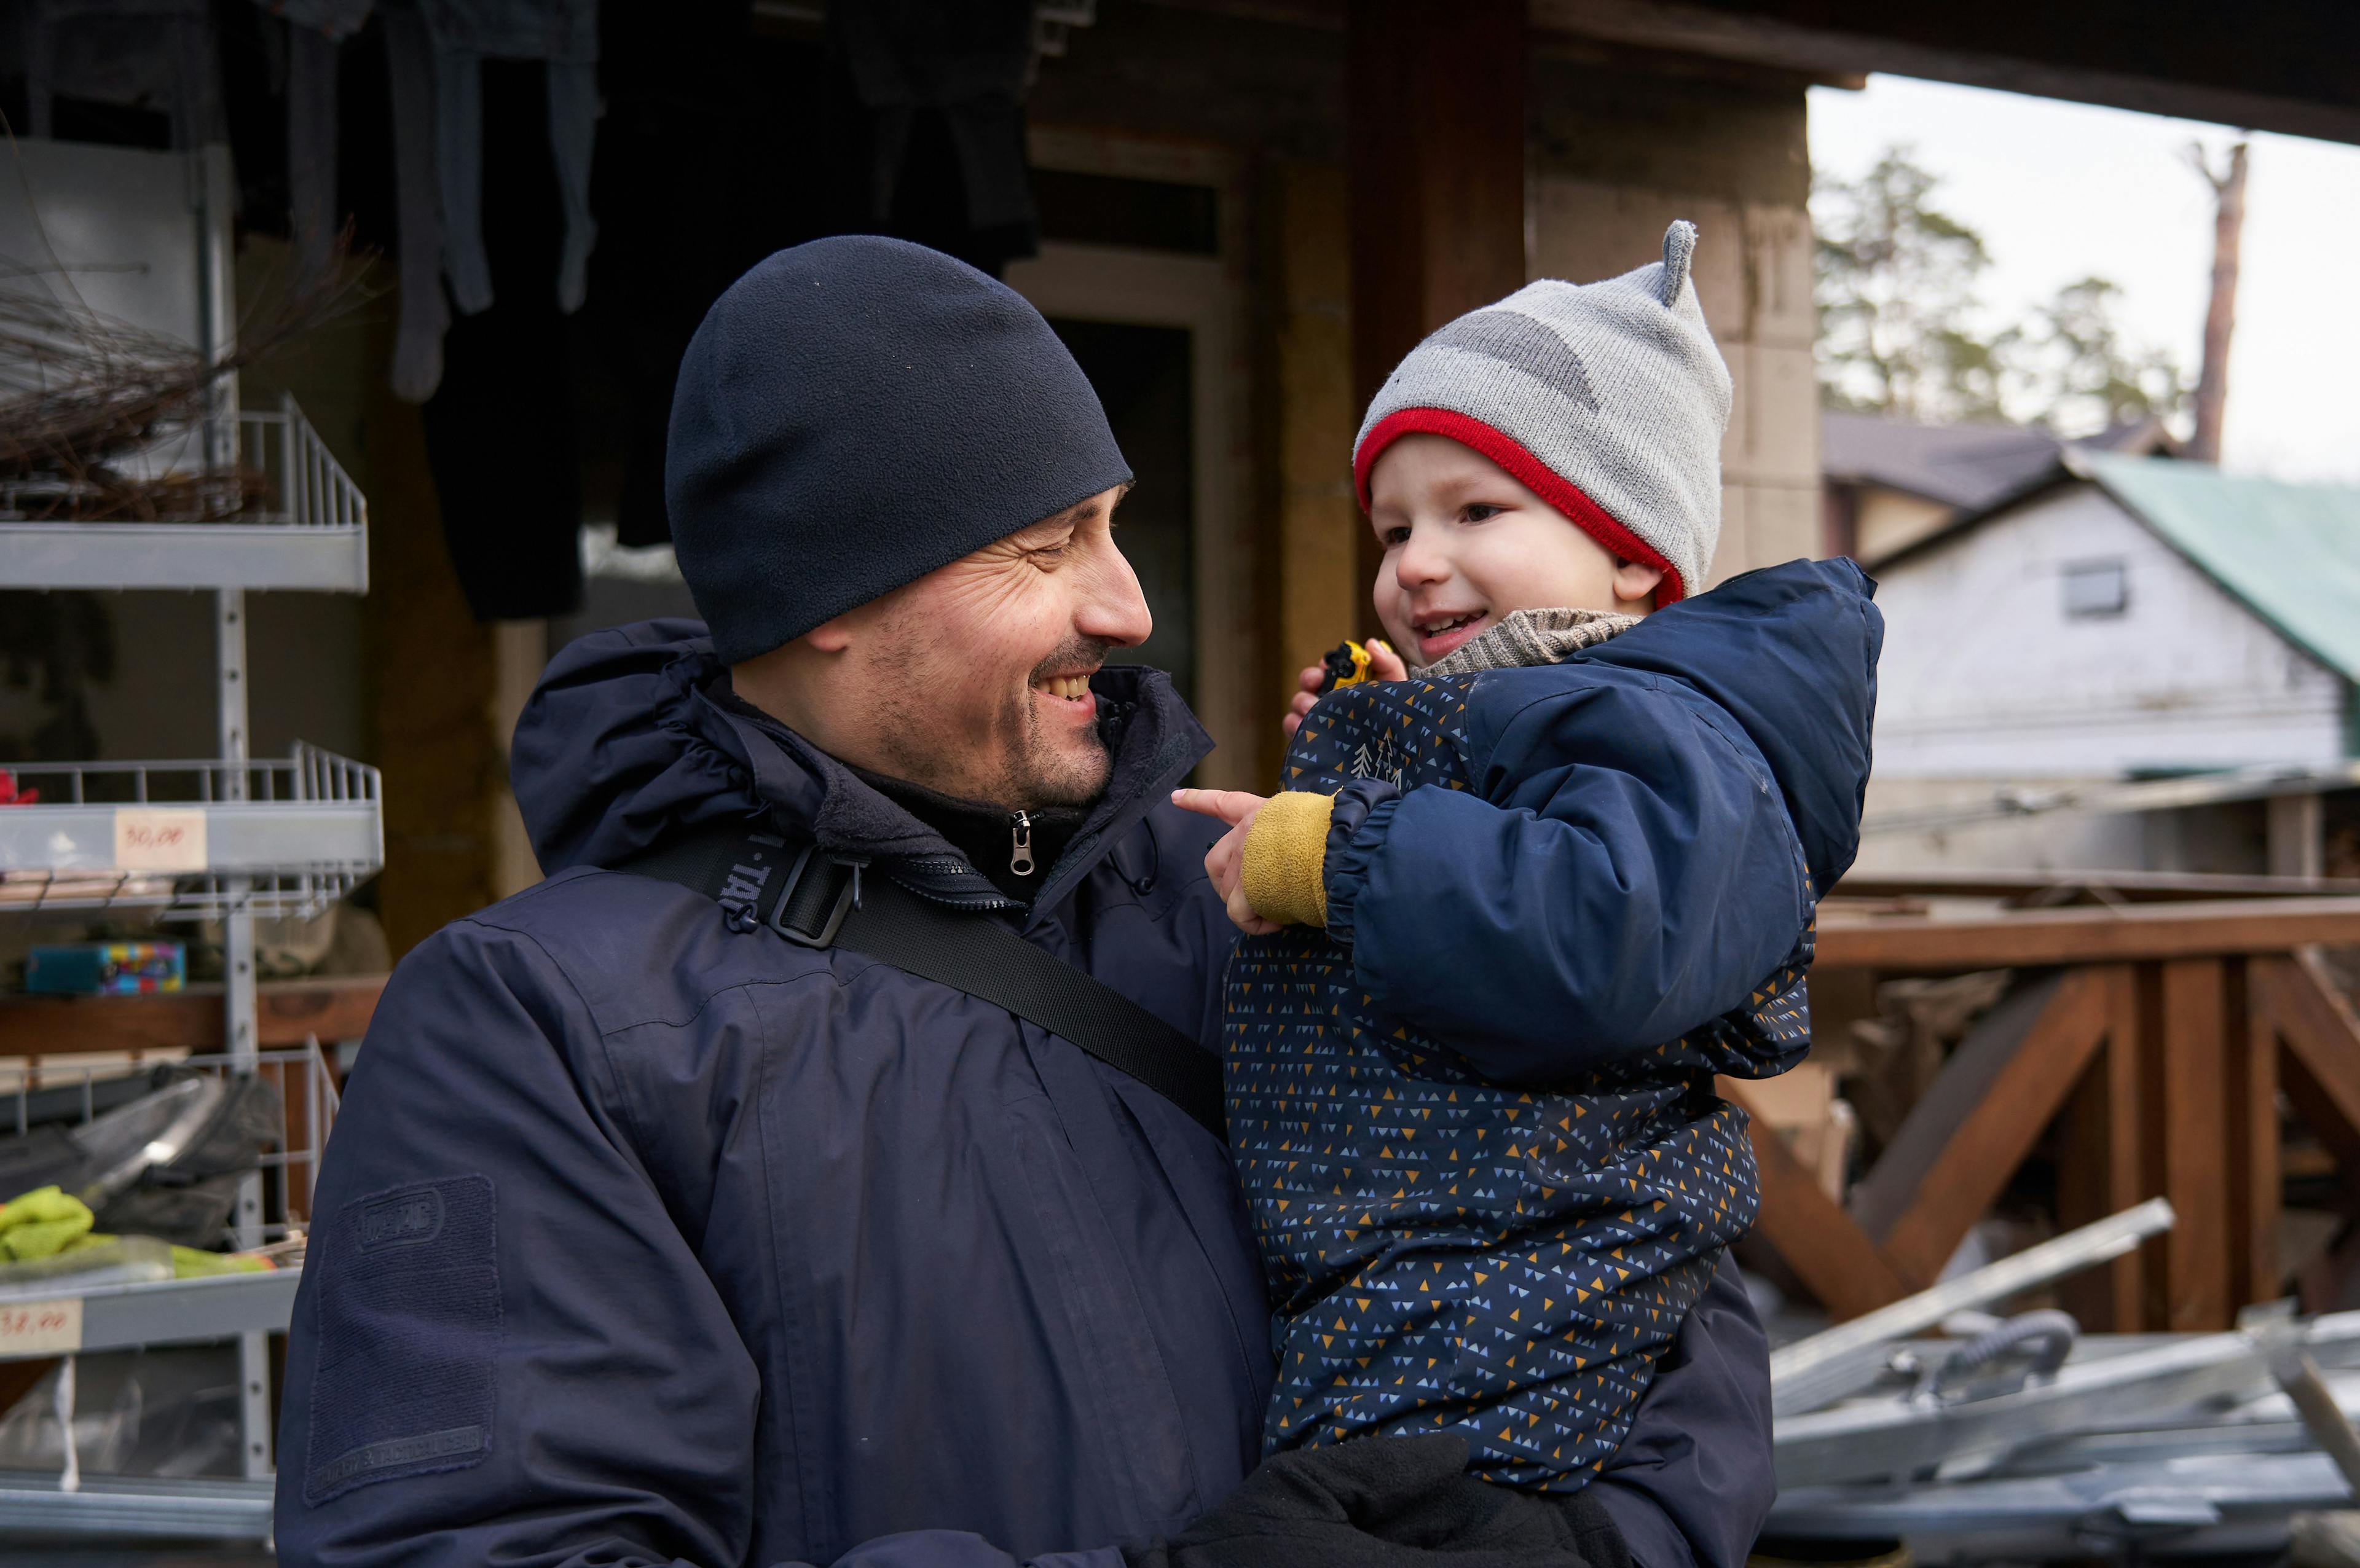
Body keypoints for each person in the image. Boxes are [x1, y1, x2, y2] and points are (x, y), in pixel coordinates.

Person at [274, 235, 1778, 1568]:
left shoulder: (1253, 903)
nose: (1126, 609)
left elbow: (1641, 1239)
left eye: (1115, 528)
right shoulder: (541, 1025)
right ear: (831, 598)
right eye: (1045, 545)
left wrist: (1580, 1540)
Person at [1178, 224, 1880, 1503]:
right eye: (1393, 532)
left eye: (1475, 511)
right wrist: (1376, 757)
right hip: (1413, 1280)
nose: (1414, 564)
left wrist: (1341, 848)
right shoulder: (1540, 709)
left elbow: (1606, 928)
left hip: (1521, 1306)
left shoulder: (1677, 725)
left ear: (1632, 553)